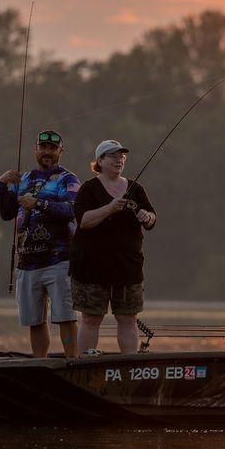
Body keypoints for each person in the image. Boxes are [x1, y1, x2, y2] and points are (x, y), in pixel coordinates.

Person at [0, 129, 81, 358]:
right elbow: (6, 213)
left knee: (65, 316)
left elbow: (73, 210)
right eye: (42, 147)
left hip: (59, 260)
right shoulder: (22, 179)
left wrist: (38, 204)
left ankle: (73, 362)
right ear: (36, 150)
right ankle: (39, 363)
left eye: (52, 148)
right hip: (27, 262)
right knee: (34, 320)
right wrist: (1, 185)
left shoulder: (68, 179)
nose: (47, 152)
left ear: (60, 151)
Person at [70, 140, 157, 355]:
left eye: (122, 157)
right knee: (90, 319)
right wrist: (109, 208)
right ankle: (85, 363)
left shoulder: (136, 189)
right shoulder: (88, 189)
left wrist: (148, 217)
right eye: (113, 156)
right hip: (92, 268)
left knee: (128, 318)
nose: (119, 160)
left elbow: (152, 218)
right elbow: (83, 221)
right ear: (100, 161)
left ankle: (129, 364)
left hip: (128, 267)